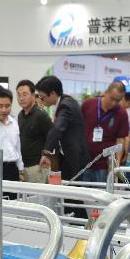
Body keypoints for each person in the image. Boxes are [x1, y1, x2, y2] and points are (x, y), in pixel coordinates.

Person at [36, 75, 89, 216]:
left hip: (74, 158)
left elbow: (57, 128)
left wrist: (46, 153)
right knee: (69, 194)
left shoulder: (66, 106)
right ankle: (75, 223)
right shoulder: (65, 102)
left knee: (74, 196)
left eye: (42, 97)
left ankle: (84, 226)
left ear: (53, 94)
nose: (41, 100)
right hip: (68, 157)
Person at [80, 82, 129, 184]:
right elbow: (78, 128)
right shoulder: (88, 104)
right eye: (112, 98)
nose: (114, 103)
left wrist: (117, 163)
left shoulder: (121, 114)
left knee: (101, 196)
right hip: (84, 161)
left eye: (118, 100)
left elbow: (120, 140)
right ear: (105, 93)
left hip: (104, 164)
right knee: (84, 194)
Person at [16, 79, 53, 187]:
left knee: (37, 201)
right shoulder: (20, 115)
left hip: (37, 168)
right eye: (18, 95)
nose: (21, 98)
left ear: (33, 95)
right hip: (23, 167)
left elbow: (52, 138)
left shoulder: (41, 115)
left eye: (25, 94)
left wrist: (47, 156)